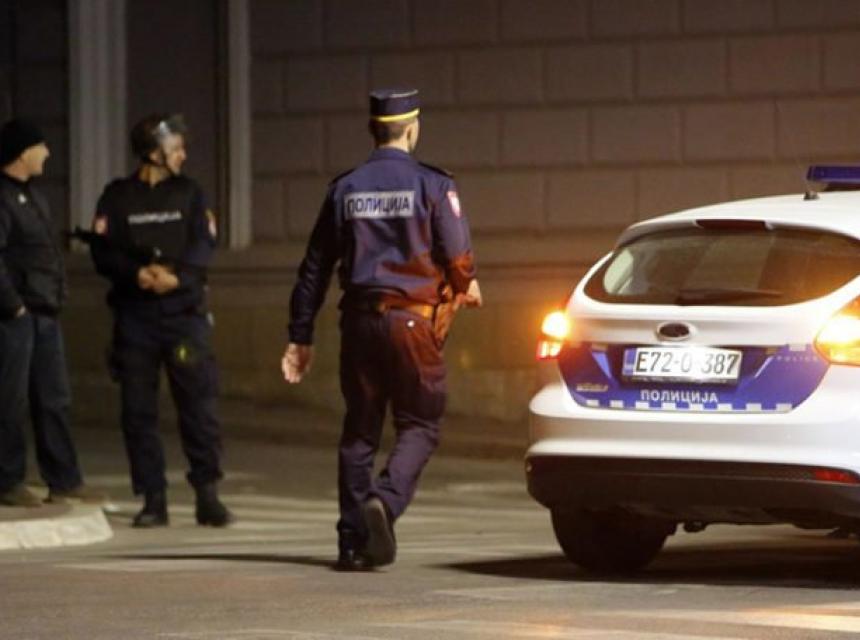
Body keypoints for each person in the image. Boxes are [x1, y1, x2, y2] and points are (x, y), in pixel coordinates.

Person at [282, 89, 482, 570]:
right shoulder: (433, 184)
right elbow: (456, 252)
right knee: (420, 423)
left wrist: (300, 335)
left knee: (359, 431)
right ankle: (385, 502)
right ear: (412, 129)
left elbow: (314, 268)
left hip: (358, 322)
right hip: (412, 322)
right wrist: (466, 284)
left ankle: (353, 543)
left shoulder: (345, 189)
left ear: (373, 129)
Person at [88, 113, 232, 528]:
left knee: (198, 404)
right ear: (154, 152)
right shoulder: (117, 197)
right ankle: (153, 499)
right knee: (137, 411)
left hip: (184, 320)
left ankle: (207, 494)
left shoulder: (189, 193)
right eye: (176, 147)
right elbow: (102, 250)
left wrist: (178, 278)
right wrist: (135, 273)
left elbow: (204, 243)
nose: (183, 154)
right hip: (136, 320)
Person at [0, 118, 106, 507]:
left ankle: (63, 479)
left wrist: (58, 293)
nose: (46, 153)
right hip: (16, 316)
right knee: (10, 400)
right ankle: (7, 481)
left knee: (54, 397)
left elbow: (46, 253)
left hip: (44, 312)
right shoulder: (3, 198)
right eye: (41, 146)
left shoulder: (36, 197)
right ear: (23, 152)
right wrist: (13, 305)